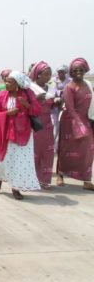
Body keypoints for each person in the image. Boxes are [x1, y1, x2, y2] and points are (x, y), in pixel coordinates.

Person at [0, 71, 42, 199]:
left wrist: (26, 104)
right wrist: (7, 114)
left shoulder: (28, 94)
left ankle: (16, 188)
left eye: (10, 82)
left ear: (18, 83)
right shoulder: (0, 96)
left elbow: (37, 111)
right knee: (3, 160)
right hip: (6, 134)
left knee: (20, 162)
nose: (6, 84)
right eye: (6, 81)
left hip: (23, 134)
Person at [56, 58, 94, 190]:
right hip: (70, 121)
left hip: (87, 119)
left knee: (88, 150)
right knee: (66, 150)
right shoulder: (69, 87)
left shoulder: (88, 84)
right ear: (71, 72)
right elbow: (71, 109)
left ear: (85, 70)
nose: (78, 72)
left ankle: (86, 180)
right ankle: (60, 174)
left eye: (81, 70)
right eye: (75, 70)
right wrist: (80, 125)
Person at [29, 62, 56, 189]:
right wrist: (36, 99)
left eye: (50, 74)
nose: (49, 77)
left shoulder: (51, 88)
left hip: (48, 125)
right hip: (35, 124)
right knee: (35, 152)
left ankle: (45, 180)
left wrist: (58, 102)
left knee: (48, 152)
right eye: (46, 74)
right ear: (38, 75)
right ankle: (32, 179)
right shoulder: (30, 88)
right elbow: (25, 106)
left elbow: (53, 105)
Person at [53, 65, 71, 146]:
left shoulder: (69, 81)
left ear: (65, 72)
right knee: (55, 125)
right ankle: (53, 145)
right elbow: (51, 91)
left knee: (63, 125)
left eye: (62, 72)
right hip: (55, 106)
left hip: (65, 105)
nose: (60, 74)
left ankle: (60, 145)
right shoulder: (53, 80)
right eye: (59, 72)